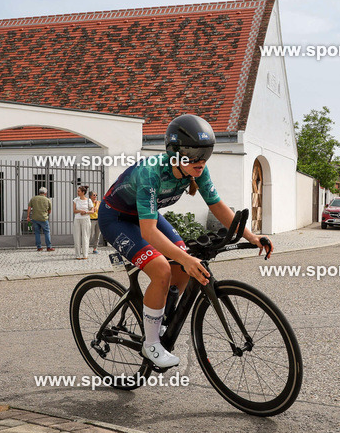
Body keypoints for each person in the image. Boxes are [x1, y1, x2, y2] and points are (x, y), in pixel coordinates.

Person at [99, 114, 272, 369]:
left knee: (182, 260)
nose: (200, 161)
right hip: (117, 218)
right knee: (162, 268)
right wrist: (186, 260)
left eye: (206, 154)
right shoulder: (151, 172)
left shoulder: (197, 169)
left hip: (145, 215)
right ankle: (151, 343)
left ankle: (160, 314)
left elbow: (218, 207)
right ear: (175, 153)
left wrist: (251, 236)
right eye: (193, 154)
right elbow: (148, 232)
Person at [26, 187, 55, 252]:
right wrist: (46, 214)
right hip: (43, 218)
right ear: (45, 193)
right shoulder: (47, 200)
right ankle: (49, 247)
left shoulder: (33, 199)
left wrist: (28, 216)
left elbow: (29, 208)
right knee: (47, 232)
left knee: (37, 233)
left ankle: (39, 247)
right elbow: (49, 211)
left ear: (39, 192)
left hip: (35, 218)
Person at [73, 185, 93, 259]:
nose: (77, 192)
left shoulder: (88, 200)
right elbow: (74, 211)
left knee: (85, 237)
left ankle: (85, 255)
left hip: (86, 219)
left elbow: (92, 211)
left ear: (83, 192)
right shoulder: (75, 200)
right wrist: (80, 211)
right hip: (77, 219)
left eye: (79, 191)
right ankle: (78, 255)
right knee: (77, 237)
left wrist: (86, 212)